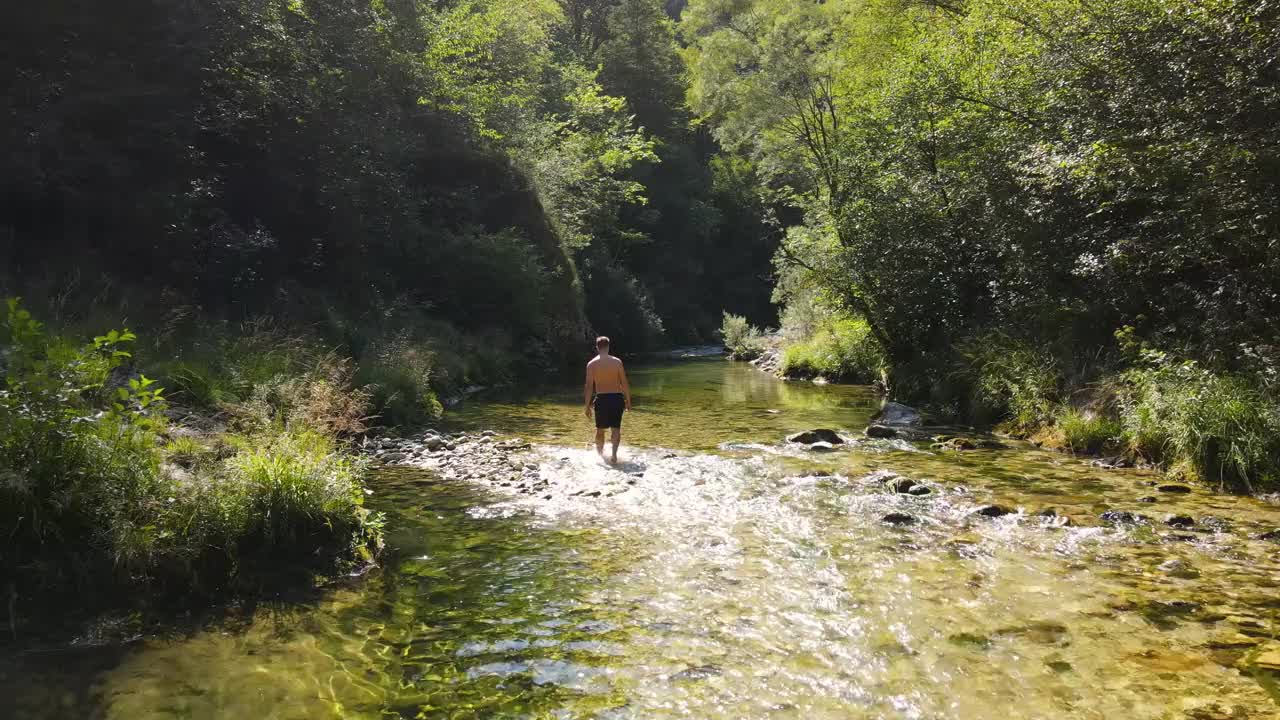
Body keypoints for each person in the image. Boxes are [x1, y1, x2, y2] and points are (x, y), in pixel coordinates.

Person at [583, 335, 631, 464]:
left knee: (600, 429)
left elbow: (588, 387)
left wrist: (587, 406)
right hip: (616, 398)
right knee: (616, 428)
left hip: (602, 398)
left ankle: (600, 456)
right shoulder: (617, 362)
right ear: (608, 346)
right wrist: (628, 401)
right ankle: (614, 455)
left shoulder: (591, 364)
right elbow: (624, 383)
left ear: (597, 347)